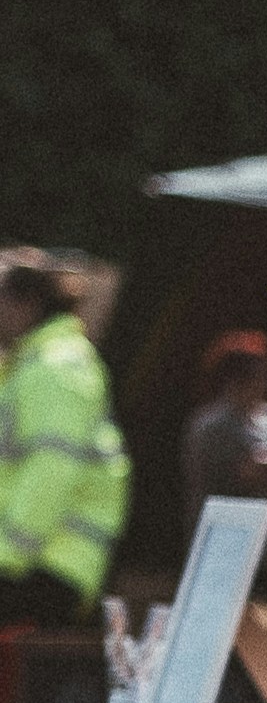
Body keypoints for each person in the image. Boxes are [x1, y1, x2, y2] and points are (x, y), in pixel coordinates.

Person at [0, 253, 129, 633]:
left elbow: (52, 470)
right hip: (42, 561)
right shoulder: (35, 364)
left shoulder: (53, 368)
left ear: (26, 304)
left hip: (43, 564)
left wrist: (8, 555)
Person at [181, 328, 267, 594]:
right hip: (232, 556)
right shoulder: (211, 425)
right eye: (260, 375)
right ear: (234, 379)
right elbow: (248, 471)